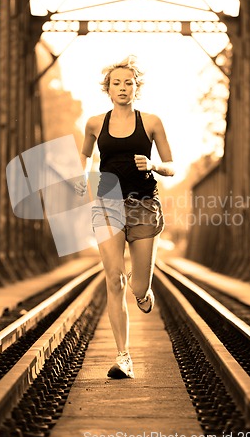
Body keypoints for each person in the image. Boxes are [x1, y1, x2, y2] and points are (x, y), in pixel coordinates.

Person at [75, 56, 175, 379]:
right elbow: (85, 157)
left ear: (136, 87)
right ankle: (123, 357)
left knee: (137, 287)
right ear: (108, 88)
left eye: (128, 83)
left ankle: (144, 292)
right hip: (108, 204)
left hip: (144, 204)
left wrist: (155, 165)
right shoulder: (93, 124)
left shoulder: (152, 123)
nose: (122, 88)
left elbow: (172, 166)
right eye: (116, 83)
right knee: (114, 278)